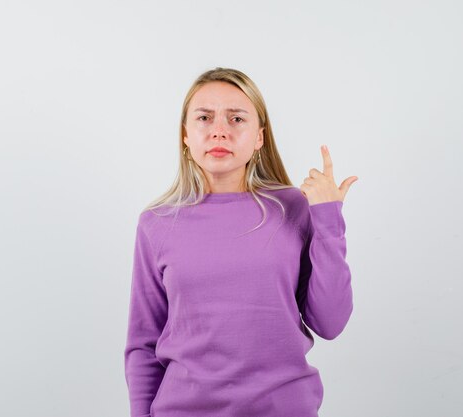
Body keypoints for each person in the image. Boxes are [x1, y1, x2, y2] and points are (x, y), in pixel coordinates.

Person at [123, 67, 358, 417]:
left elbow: (331, 322)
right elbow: (143, 345)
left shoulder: (294, 209)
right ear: (186, 135)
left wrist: (328, 220)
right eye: (204, 118)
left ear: (259, 137)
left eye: (236, 119)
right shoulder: (156, 224)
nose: (220, 130)